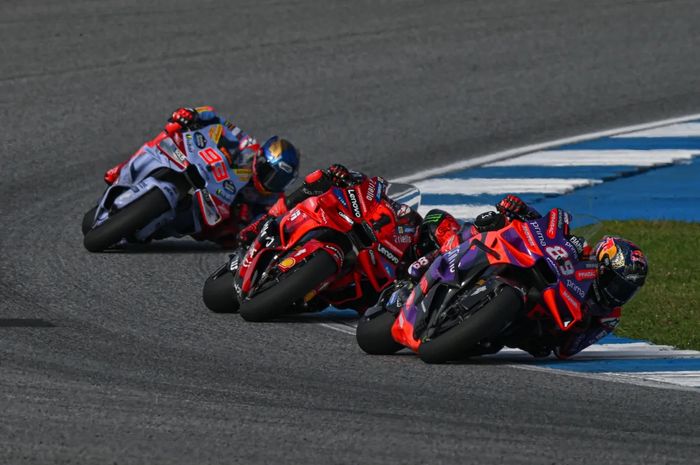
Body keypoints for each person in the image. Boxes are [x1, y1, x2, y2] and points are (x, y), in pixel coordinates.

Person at [390, 195, 649, 359]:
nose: (618, 293)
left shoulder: (608, 315)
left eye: (626, 289)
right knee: (483, 226)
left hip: (531, 331)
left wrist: (572, 328)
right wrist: (522, 210)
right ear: (602, 264)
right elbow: (547, 233)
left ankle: (462, 329)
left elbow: (568, 350)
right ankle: (430, 264)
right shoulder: (582, 253)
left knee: (500, 346)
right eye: (616, 282)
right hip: (530, 273)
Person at [237, 163, 425, 311]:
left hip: (352, 280)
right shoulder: (373, 191)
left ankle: (304, 291)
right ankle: (262, 223)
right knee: (315, 184)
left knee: (315, 305)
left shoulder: (402, 240)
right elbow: (351, 178)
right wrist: (339, 174)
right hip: (330, 222)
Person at [103, 106, 300, 245]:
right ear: (262, 159)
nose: (270, 182)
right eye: (270, 174)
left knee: (207, 228)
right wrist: (193, 114)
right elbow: (217, 118)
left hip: (217, 216)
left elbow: (269, 222)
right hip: (204, 170)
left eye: (279, 181)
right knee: (170, 132)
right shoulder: (247, 144)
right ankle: (124, 170)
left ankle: (152, 227)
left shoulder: (274, 199)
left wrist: (250, 225)